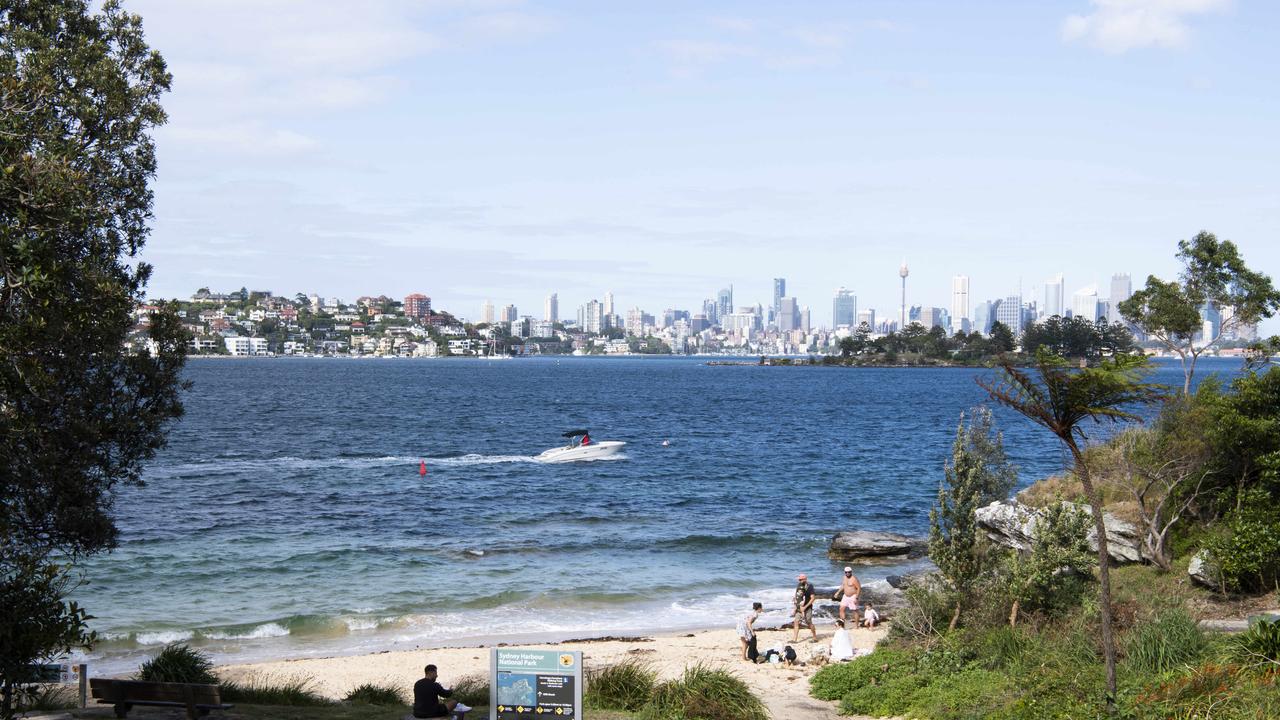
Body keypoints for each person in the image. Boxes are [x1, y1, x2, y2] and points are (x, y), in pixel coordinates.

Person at [790, 573, 817, 642]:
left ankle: (815, 637)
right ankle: (794, 639)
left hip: (807, 607)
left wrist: (805, 607)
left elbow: (813, 598)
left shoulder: (809, 586)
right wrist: (795, 605)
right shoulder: (799, 585)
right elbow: (797, 595)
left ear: (805, 579)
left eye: (801, 579)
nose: (800, 581)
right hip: (799, 607)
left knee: (809, 622)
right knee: (796, 622)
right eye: (799, 579)